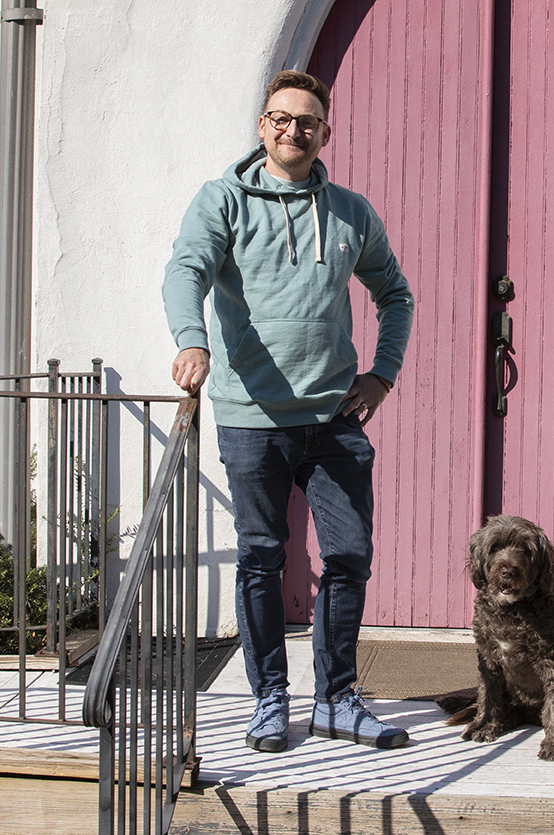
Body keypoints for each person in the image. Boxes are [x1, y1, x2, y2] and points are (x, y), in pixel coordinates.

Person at [162, 70, 415, 752]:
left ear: (324, 132)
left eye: (306, 121)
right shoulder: (224, 201)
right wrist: (193, 340)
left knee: (349, 556)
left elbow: (396, 294)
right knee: (262, 557)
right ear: (262, 126)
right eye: (280, 118)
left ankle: (335, 699)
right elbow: (186, 270)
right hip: (252, 418)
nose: (291, 130)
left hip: (333, 417)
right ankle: (270, 698)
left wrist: (382, 376)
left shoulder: (350, 212)